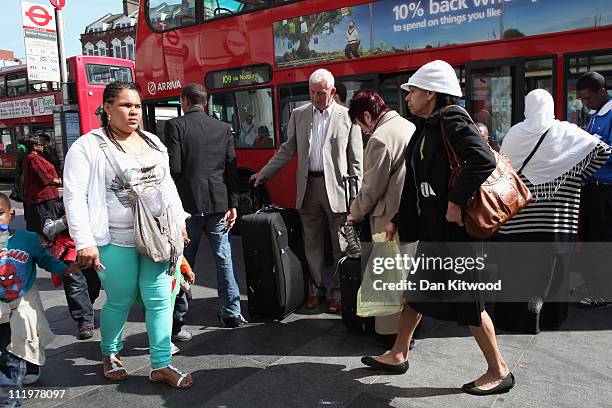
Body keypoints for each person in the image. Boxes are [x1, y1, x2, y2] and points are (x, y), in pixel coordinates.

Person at [360, 60, 514, 396]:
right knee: (417, 292)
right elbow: (416, 184)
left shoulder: (452, 118)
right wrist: (399, 220)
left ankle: (499, 370)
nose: (409, 97)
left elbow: (482, 159)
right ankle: (399, 353)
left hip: (456, 233)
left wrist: (456, 202)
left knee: (470, 303)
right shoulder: (426, 127)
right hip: (435, 231)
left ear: (430, 92)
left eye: (413, 90)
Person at [63, 82, 193, 389]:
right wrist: (85, 242)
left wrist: (179, 221)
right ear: (107, 108)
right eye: (125, 105)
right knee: (119, 300)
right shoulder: (87, 146)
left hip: (158, 239)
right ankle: (110, 352)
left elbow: (167, 187)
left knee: (160, 299)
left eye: (136, 106)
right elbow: (74, 196)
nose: (133, 112)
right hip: (114, 240)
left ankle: (161, 364)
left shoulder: (152, 142)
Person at [495, 89, 611, 333]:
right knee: (553, 269)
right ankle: (550, 318)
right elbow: (603, 151)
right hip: (558, 220)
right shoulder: (567, 133)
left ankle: (515, 318)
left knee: (518, 269)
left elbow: (502, 169)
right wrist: (576, 171)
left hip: (519, 221)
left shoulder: (515, 134)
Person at [251, 68, 363, 314]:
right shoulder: (299, 114)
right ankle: (317, 290)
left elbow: (356, 162)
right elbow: (287, 149)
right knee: (311, 241)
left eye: (320, 93)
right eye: (311, 92)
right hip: (308, 186)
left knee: (340, 244)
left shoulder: (348, 117)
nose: (315, 97)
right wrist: (265, 172)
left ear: (332, 92)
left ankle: (338, 293)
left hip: (338, 189)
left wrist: (356, 196)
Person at [164, 83, 245, 329]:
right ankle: (232, 311)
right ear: (205, 102)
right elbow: (231, 169)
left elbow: (175, 168)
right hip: (219, 204)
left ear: (184, 101)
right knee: (224, 259)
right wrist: (233, 203)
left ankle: (179, 313)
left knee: (183, 260)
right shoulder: (223, 128)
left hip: (188, 206)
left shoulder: (175, 126)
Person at [345, 89, 416, 348]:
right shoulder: (408, 126)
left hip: (388, 216)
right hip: (409, 214)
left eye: (361, 125)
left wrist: (354, 213)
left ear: (367, 115)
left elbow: (371, 187)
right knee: (407, 273)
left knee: (388, 276)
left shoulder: (380, 139)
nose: (364, 132)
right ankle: (410, 332)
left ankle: (389, 335)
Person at [0, 193, 79, 393]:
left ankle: (24, 370)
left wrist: (64, 269)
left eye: (0, 213)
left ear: (11, 213)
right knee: (4, 338)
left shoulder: (27, 239)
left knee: (27, 331)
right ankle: (12, 367)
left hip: (23, 297)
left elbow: (45, 259)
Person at [576, 72, 612, 308]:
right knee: (590, 240)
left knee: (600, 242)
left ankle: (603, 292)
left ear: (602, 91)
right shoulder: (595, 115)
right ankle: (593, 283)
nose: (585, 104)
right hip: (591, 187)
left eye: (588, 98)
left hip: (605, 188)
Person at [43, 200, 101, 340]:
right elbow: (47, 229)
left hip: (92, 250)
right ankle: (84, 320)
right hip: (69, 253)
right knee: (75, 287)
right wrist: (64, 221)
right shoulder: (59, 204)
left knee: (93, 285)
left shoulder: (95, 200)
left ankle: (86, 306)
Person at [22, 136, 62, 235]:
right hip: (43, 196)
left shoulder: (32, 157)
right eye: (41, 145)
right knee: (45, 221)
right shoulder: (34, 159)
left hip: (42, 195)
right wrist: (57, 181)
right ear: (35, 146)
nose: (44, 147)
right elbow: (44, 176)